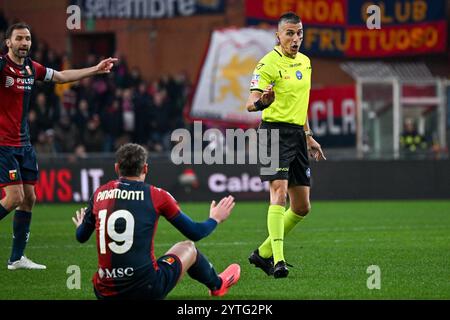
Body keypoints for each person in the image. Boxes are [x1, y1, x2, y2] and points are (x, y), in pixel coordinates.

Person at [0, 22, 118, 270]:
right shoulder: (2, 66)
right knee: (13, 198)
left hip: (24, 143)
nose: (24, 43)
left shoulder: (32, 68)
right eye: (19, 39)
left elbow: (62, 76)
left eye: (28, 39)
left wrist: (95, 70)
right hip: (3, 145)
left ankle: (16, 258)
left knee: (29, 198)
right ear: (8, 42)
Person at [72, 143, 240, 299]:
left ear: (117, 168)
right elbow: (195, 232)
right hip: (147, 288)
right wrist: (215, 218)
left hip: (104, 291)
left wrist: (81, 225)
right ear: (145, 168)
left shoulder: (99, 194)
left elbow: (81, 237)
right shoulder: (157, 195)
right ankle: (218, 285)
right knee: (188, 247)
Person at [245, 12, 326, 278]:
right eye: (290, 33)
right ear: (277, 36)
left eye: (299, 33)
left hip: (297, 136)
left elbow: (300, 105)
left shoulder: (306, 62)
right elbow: (250, 104)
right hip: (273, 133)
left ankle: (262, 254)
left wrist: (308, 135)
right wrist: (263, 103)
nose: (295, 38)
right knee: (278, 193)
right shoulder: (267, 64)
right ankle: (278, 261)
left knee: (302, 206)